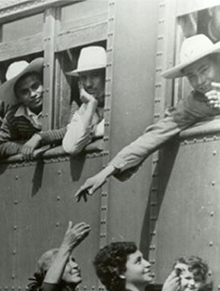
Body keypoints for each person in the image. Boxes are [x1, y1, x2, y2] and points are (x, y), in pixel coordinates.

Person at [75, 34, 220, 200]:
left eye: (204, 70)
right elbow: (152, 136)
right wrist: (105, 172)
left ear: (217, 61)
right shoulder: (192, 104)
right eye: (191, 76)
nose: (200, 81)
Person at [0, 58, 67, 160]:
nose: (33, 94)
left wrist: (39, 137)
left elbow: (73, 129)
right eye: (24, 92)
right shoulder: (13, 116)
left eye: (35, 86)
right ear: (18, 97)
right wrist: (25, 147)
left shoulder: (62, 100)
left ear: (43, 84)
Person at [62, 45, 106, 155]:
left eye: (95, 75)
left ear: (106, 75)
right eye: (83, 77)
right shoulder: (86, 106)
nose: (88, 84)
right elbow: (70, 147)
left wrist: (89, 132)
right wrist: (91, 105)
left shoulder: (119, 101)